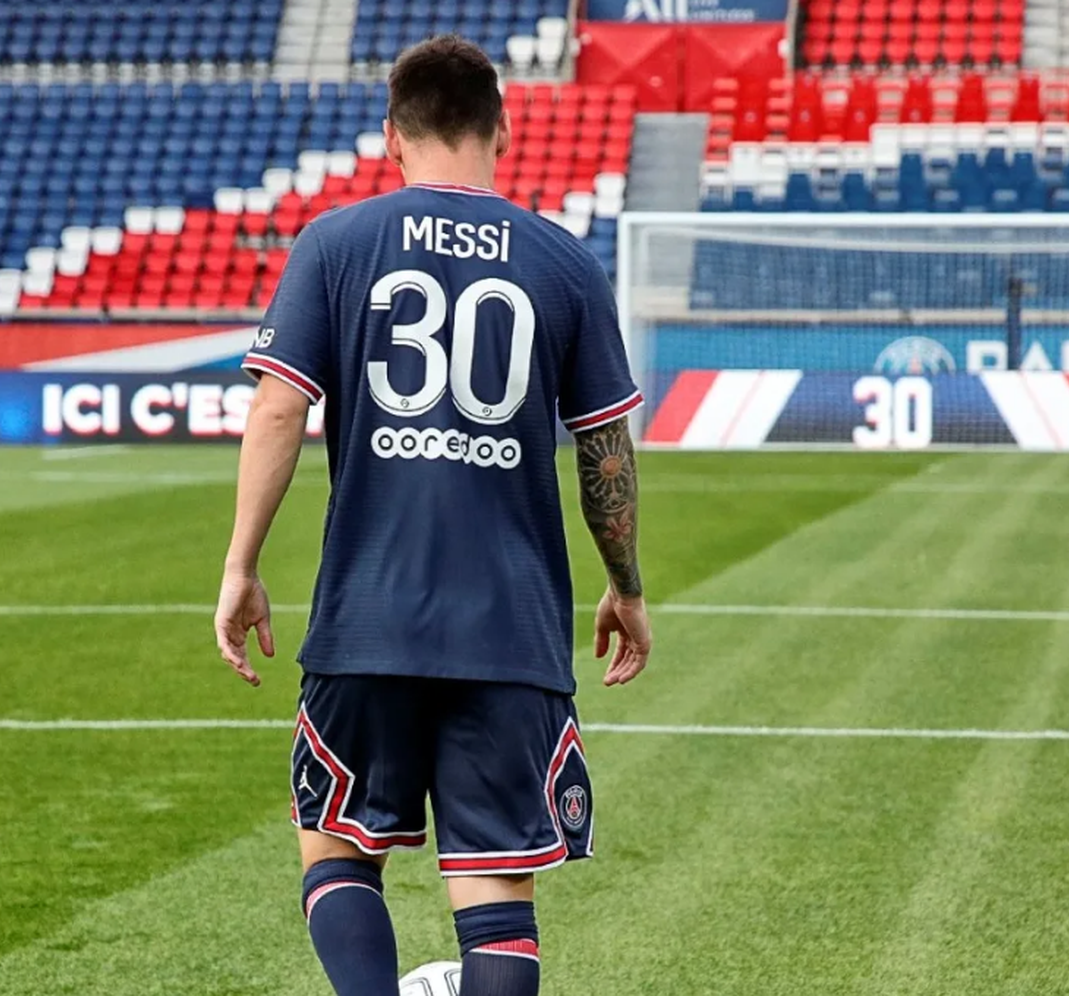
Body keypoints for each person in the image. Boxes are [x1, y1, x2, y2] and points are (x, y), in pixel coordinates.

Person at [214, 34, 651, 996]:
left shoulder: (336, 242)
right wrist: (626, 587)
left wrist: (242, 564)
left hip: (367, 619)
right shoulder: (564, 263)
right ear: (503, 128)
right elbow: (603, 450)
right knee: (495, 894)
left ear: (391, 137)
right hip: (510, 630)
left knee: (334, 853)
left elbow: (280, 405)